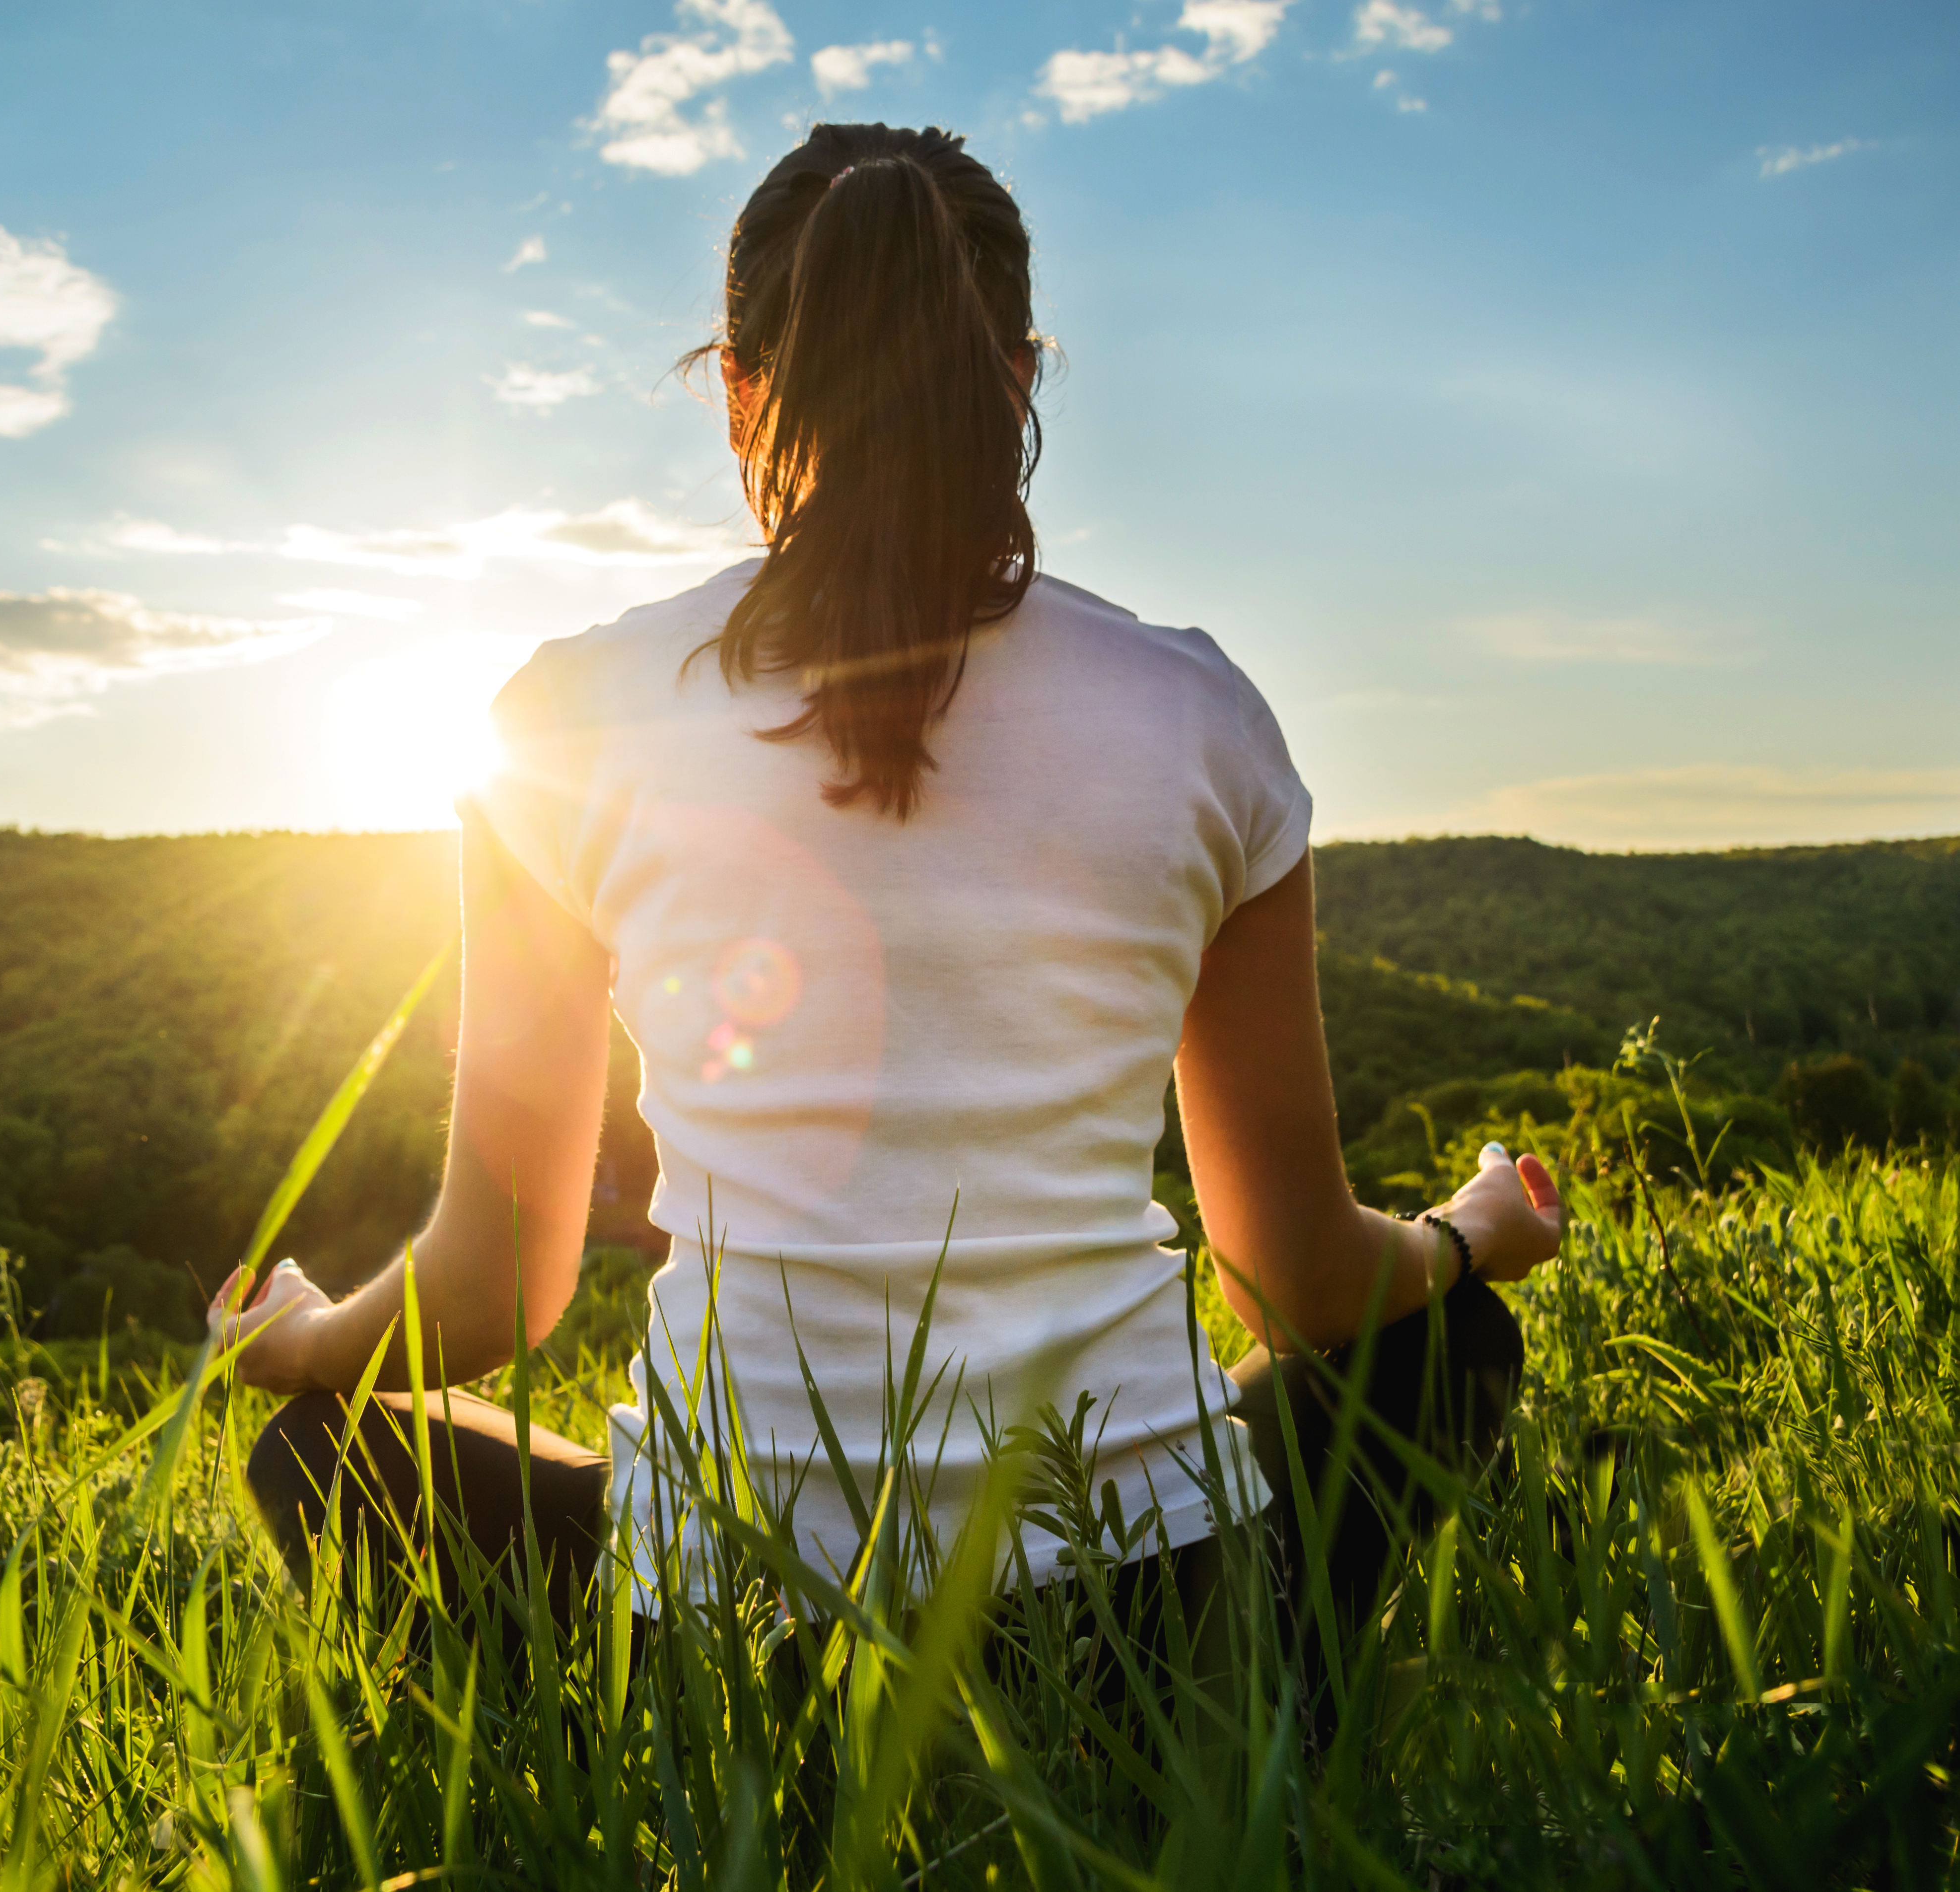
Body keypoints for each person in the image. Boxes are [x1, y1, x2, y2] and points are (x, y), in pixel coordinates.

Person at [213, 123, 1562, 1688]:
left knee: (326, 1449)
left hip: (727, 1648)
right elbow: (1302, 1284)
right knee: (1431, 1343)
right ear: (1018, 378)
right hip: (1159, 1630)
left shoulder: (564, 721)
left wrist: (298, 1341)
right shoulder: (1200, 714)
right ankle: (1236, 1720)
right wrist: (1467, 1237)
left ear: (738, 384)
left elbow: (495, 1288)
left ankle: (634, 1737)